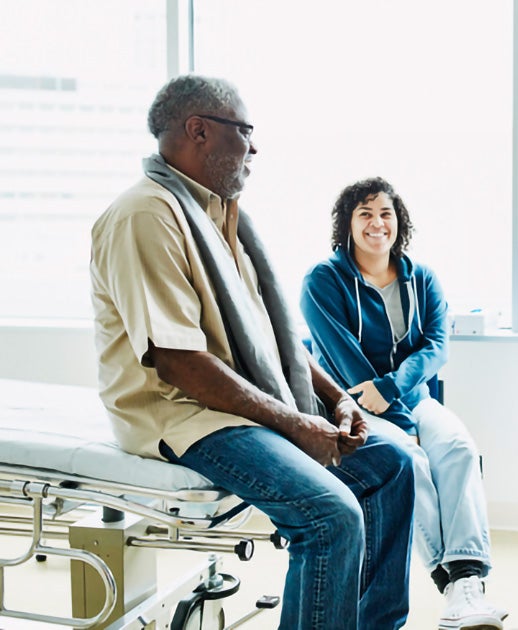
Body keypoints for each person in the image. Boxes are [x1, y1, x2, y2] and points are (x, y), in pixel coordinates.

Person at [89, 75, 415, 630]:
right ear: (198, 131)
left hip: (237, 405)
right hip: (184, 415)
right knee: (330, 516)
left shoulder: (225, 221)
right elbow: (179, 361)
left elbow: (272, 340)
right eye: (244, 131)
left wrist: (337, 402)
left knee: (393, 464)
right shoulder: (146, 216)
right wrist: (294, 423)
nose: (254, 147)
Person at [300, 177, 507, 629]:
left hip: (413, 398)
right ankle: (447, 577)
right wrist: (394, 414)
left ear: (400, 222)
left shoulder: (422, 277)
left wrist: (395, 392)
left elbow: (436, 346)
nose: (377, 223)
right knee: (408, 459)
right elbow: (342, 360)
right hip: (350, 407)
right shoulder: (323, 281)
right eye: (365, 214)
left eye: (386, 214)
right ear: (347, 223)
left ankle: (467, 581)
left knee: (457, 448)